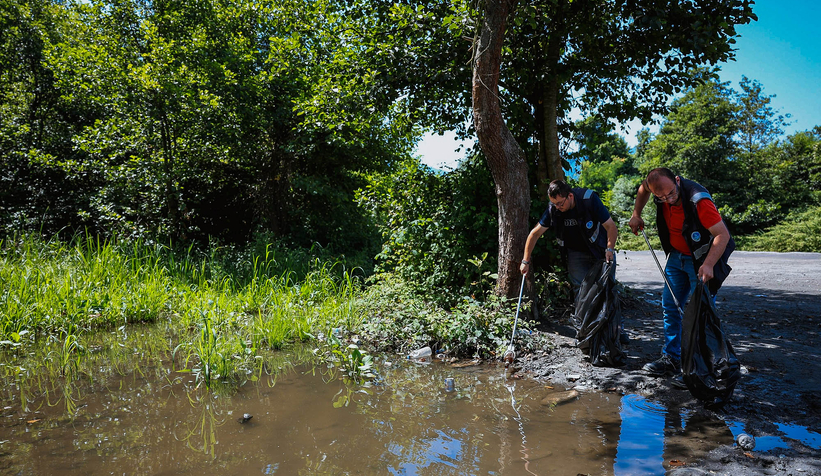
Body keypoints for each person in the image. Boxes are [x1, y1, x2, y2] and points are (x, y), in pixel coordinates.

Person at [628, 167, 735, 378]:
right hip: (676, 257)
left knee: (701, 312)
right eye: (661, 197)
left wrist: (709, 264)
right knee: (670, 306)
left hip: (701, 260)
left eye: (671, 193)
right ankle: (672, 358)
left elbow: (722, 235)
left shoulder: (698, 200)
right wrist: (636, 214)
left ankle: (703, 366)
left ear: (677, 180)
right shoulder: (659, 191)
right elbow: (643, 189)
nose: (668, 199)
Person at [520, 179, 618, 296]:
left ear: (570, 196)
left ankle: (607, 314)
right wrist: (525, 261)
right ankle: (584, 315)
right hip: (576, 253)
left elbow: (611, 226)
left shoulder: (588, 199)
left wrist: (610, 249)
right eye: (554, 203)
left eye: (560, 203)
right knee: (581, 290)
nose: (557, 207)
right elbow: (535, 234)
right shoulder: (553, 209)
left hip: (600, 249)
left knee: (606, 288)